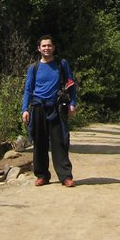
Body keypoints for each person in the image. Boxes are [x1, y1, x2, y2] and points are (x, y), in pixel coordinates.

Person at [22, 35, 77, 187]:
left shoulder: (61, 64)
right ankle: (42, 175)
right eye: (44, 46)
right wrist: (25, 109)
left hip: (57, 108)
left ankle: (65, 176)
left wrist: (73, 103)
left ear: (54, 48)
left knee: (60, 142)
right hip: (38, 108)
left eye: (49, 45)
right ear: (39, 49)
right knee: (39, 143)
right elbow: (28, 89)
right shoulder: (34, 68)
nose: (47, 48)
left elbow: (70, 84)